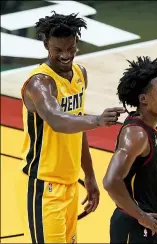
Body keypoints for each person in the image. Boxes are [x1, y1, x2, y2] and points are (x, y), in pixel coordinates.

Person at [17, 12, 125, 244]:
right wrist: (96, 120)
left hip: (70, 182)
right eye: (58, 50)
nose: (66, 55)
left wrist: (89, 176)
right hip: (44, 186)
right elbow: (57, 121)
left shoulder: (80, 74)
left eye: (71, 48)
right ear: (46, 44)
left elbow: (77, 128)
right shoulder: (39, 83)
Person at [103, 56, 157, 243]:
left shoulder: (149, 126)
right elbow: (111, 181)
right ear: (144, 99)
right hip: (135, 227)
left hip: (147, 227)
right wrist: (141, 216)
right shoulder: (136, 135)